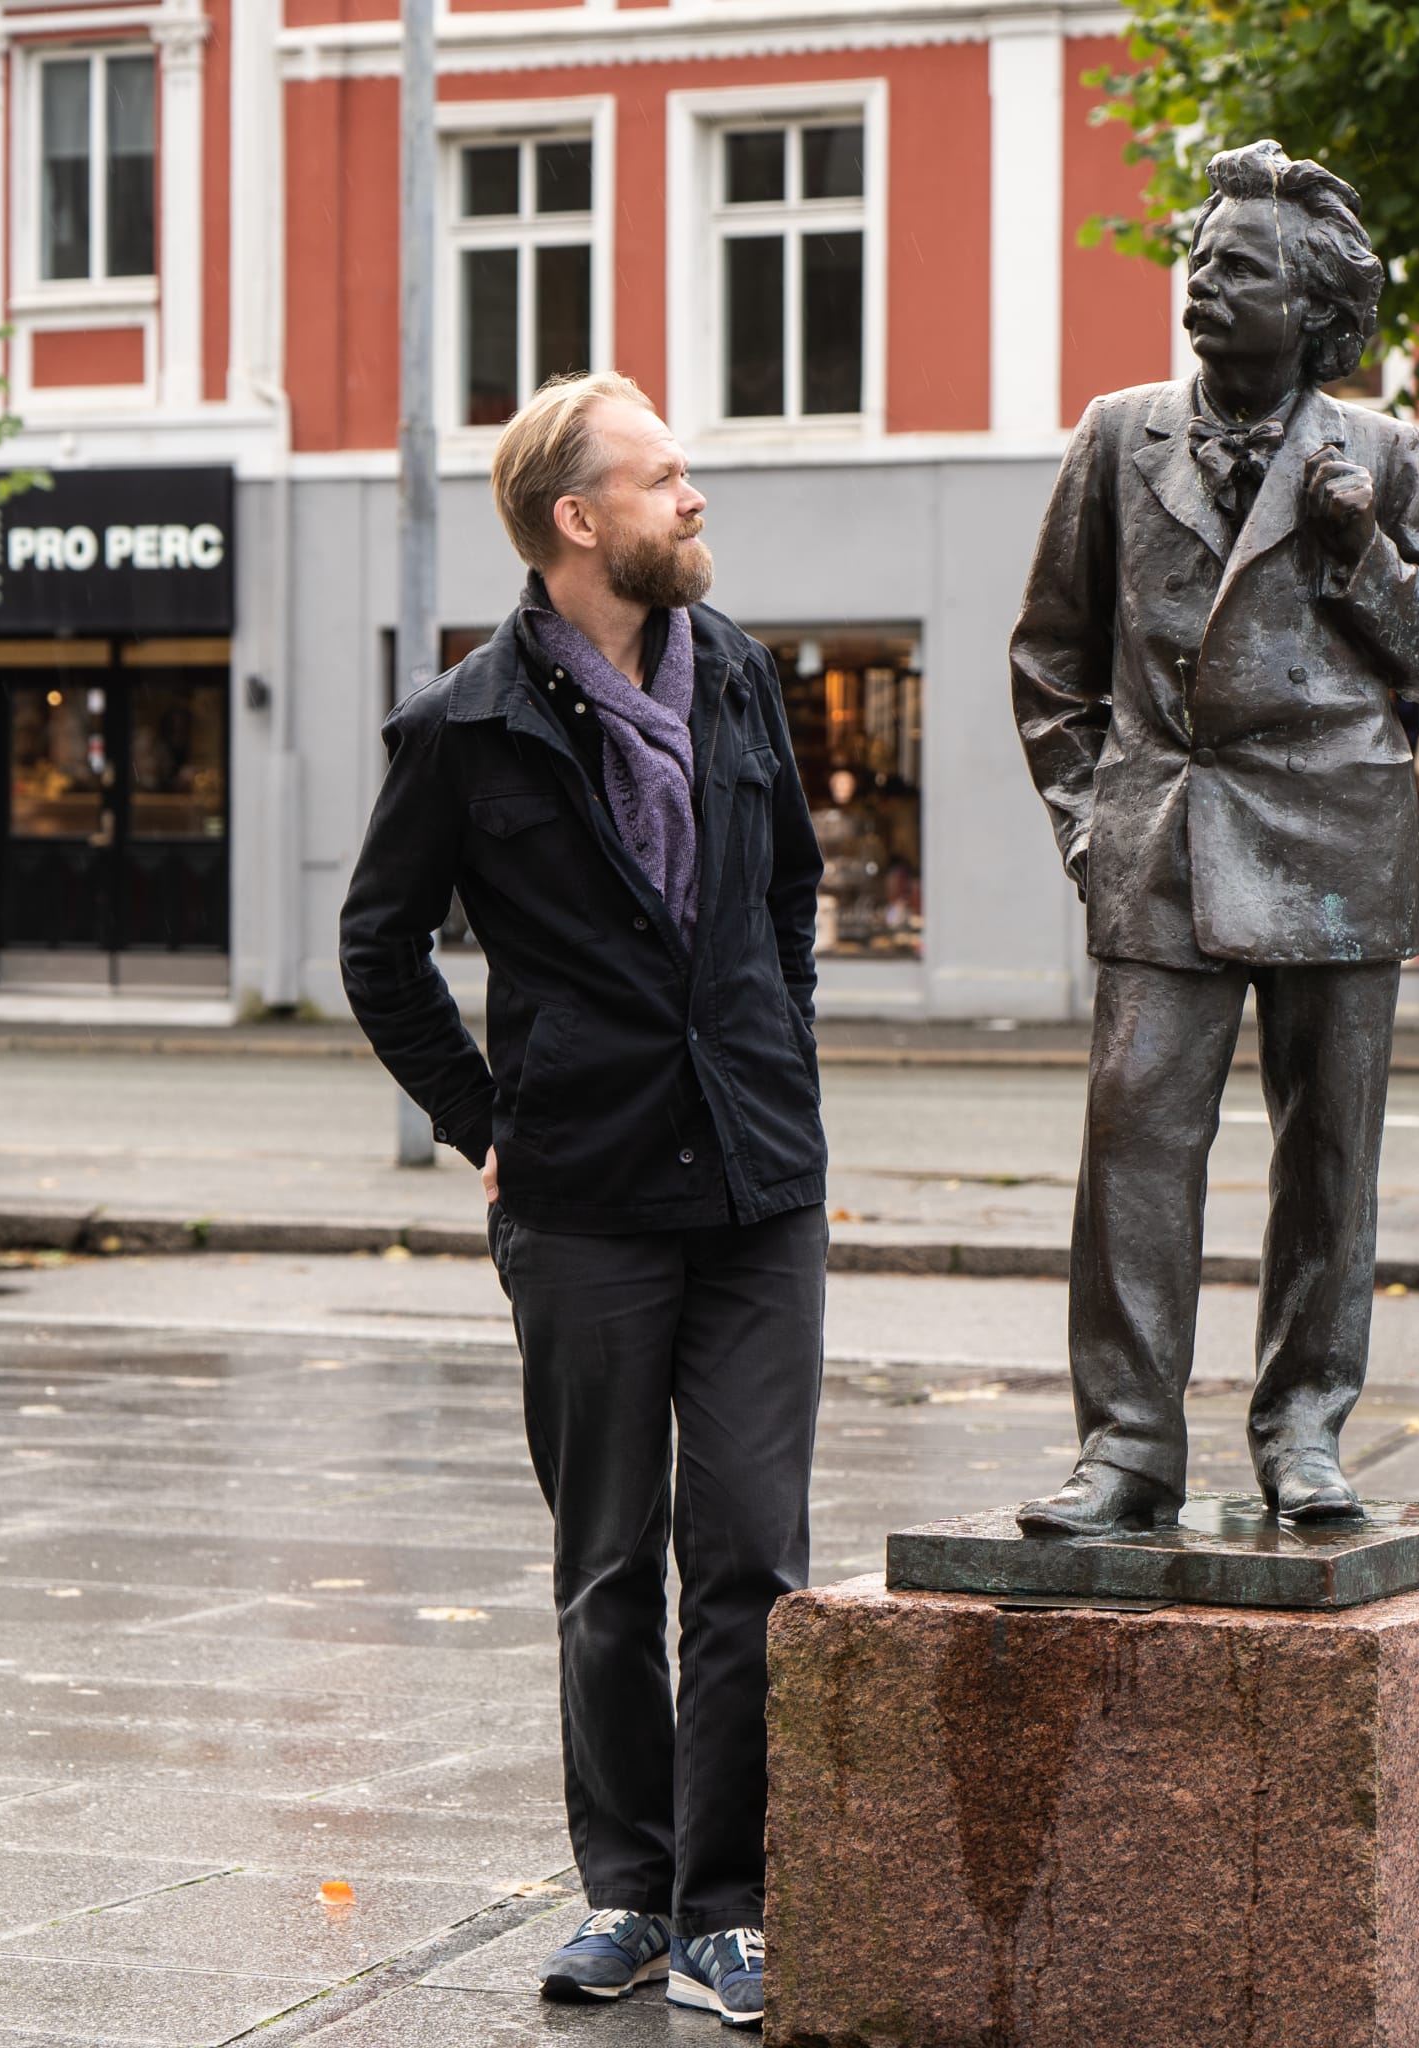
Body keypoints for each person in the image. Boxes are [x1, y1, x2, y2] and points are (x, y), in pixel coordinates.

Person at [340, 371, 829, 2031]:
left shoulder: (741, 674)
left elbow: (786, 902)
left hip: (759, 1189)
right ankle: (626, 1895)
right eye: (664, 477)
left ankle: (731, 1909)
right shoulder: (465, 728)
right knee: (608, 1561)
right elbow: (377, 951)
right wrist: (488, 1121)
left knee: (753, 1557)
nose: (693, 499)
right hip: (586, 1200)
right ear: (578, 520)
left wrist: (781, 1069)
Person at [1007, 140, 1419, 1537]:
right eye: (1199, 261)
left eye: (1241, 270)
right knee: (1135, 1143)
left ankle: (1305, 1431)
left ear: (1317, 312)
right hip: (1160, 839)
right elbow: (1050, 658)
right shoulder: (1116, 436)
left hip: (1338, 840)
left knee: (1330, 1155)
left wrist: (1360, 553)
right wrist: (1090, 825)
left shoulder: (1385, 458)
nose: (1204, 286)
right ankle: (1128, 1449)